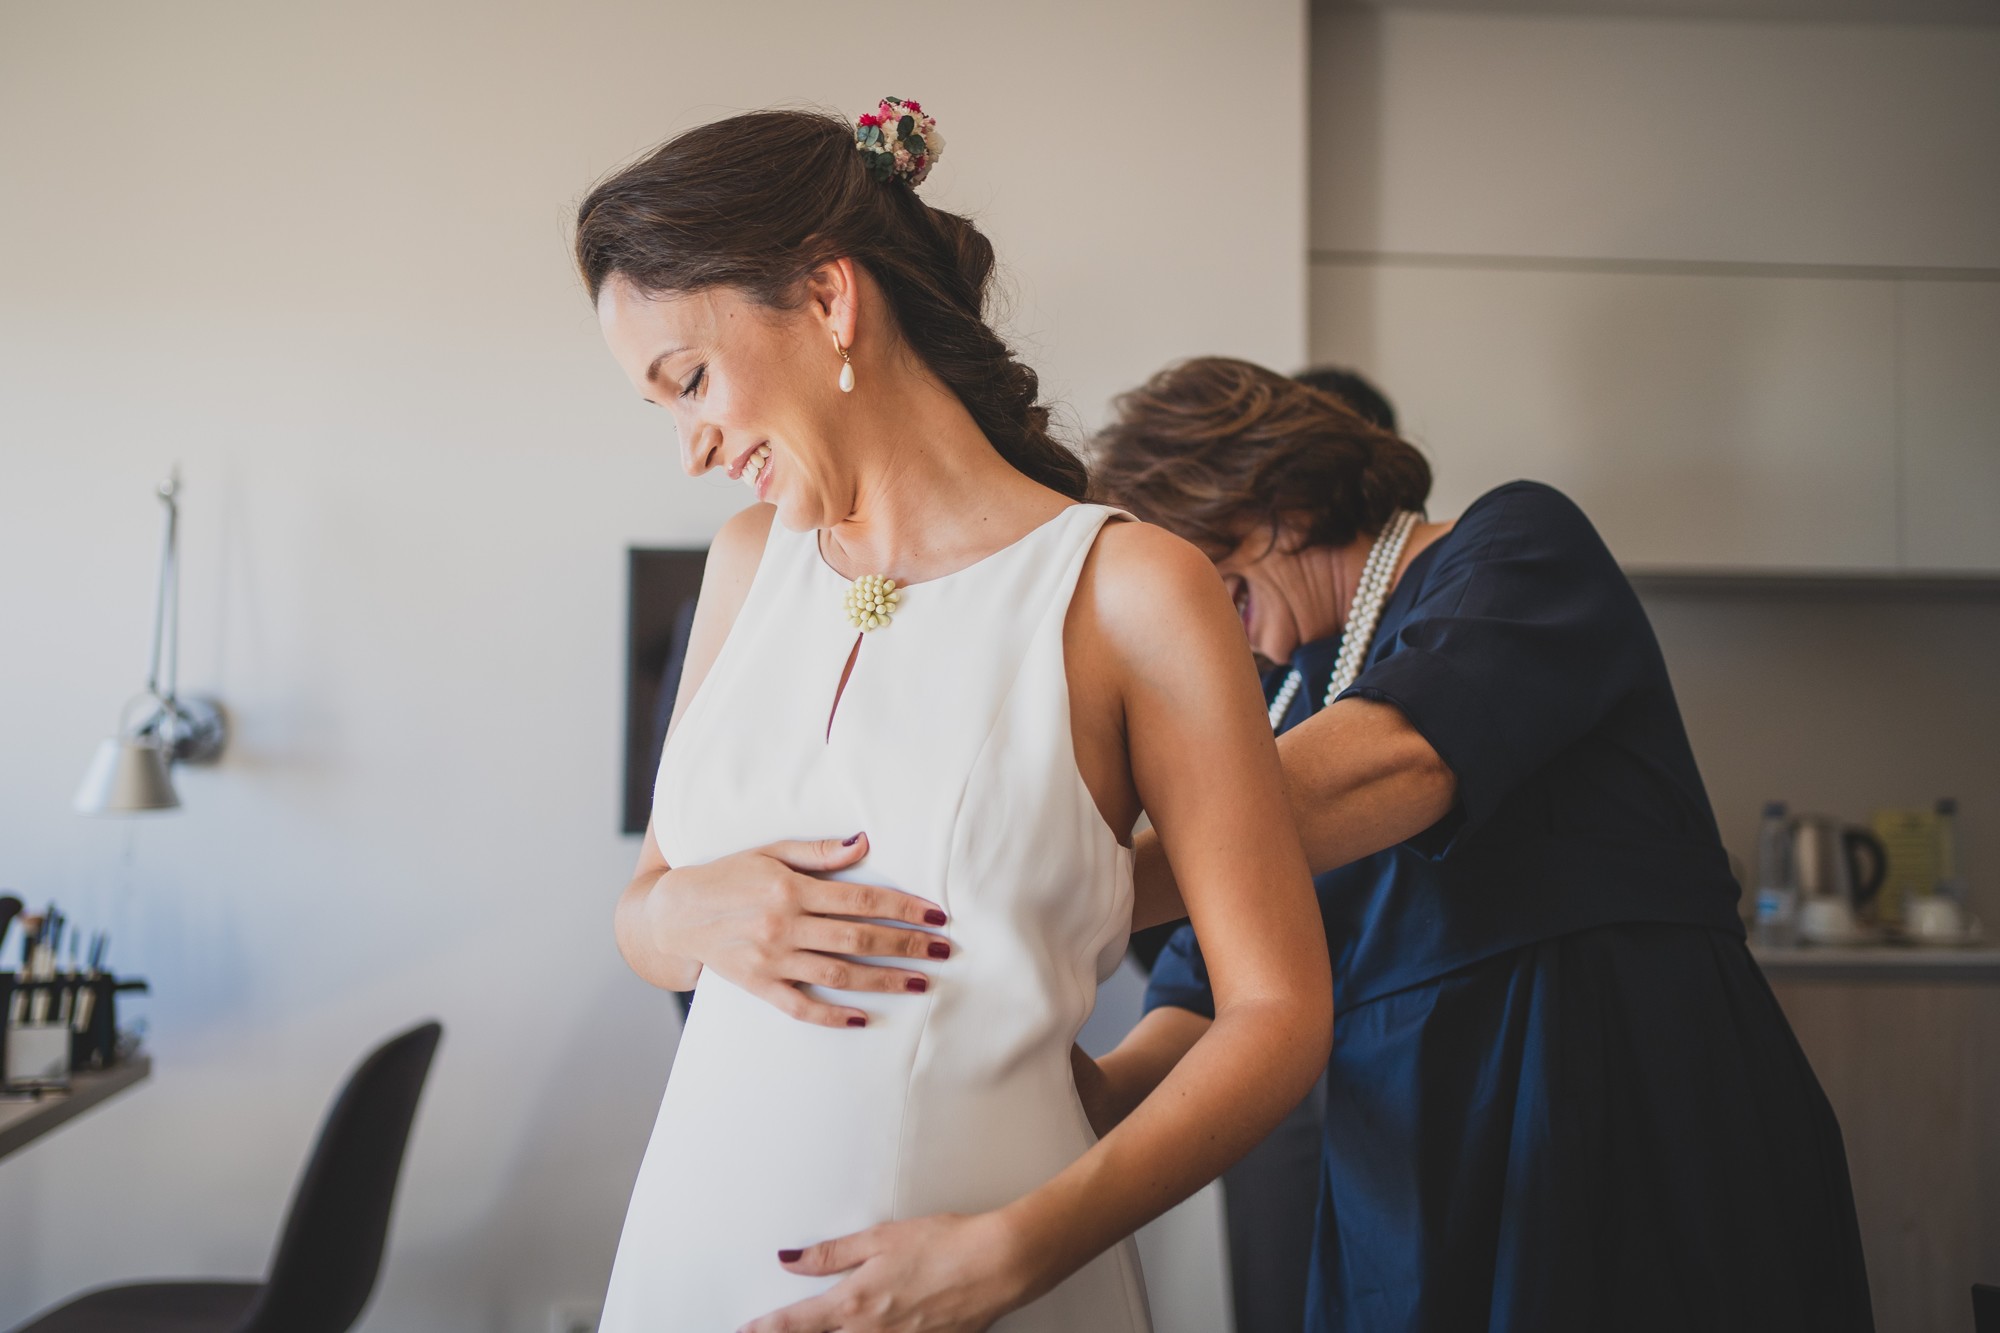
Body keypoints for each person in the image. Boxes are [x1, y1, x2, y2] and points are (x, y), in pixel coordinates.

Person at [574, 106, 1331, 1333]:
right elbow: (646, 913)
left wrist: (1016, 1252)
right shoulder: (743, 562)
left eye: (692, 381)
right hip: (690, 1262)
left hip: (992, 1285)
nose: (690, 450)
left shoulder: (1128, 591)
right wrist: (677, 907)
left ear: (827, 297)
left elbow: (1277, 1014)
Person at [1078, 356, 1874, 1333]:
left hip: (1608, 1105)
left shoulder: (1514, 542)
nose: (1219, 629)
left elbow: (1406, 757)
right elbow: (1204, 979)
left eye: (1209, 582)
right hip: (1409, 1163)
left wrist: (1074, 887)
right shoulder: (1293, 697)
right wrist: (1089, 1092)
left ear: (1267, 509)